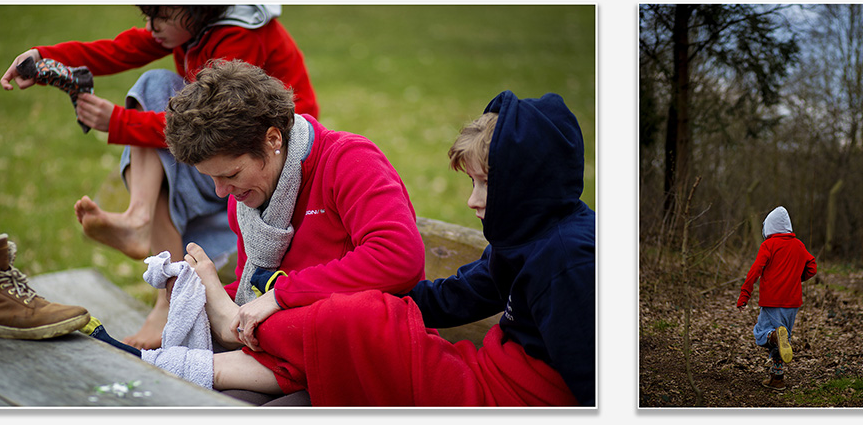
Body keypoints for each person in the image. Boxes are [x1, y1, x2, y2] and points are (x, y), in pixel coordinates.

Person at [201, 89, 596, 406]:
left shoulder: (568, 261)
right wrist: (383, 319)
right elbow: (458, 296)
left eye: (486, 185)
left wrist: (304, 302)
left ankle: (208, 355)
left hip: (503, 398)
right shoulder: (524, 235)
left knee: (350, 315)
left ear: (528, 183)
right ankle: (222, 347)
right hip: (486, 371)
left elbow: (591, 382)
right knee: (356, 315)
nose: (473, 201)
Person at [0, 5, 320, 350]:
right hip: (227, 153)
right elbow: (118, 49)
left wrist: (120, 121)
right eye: (148, 17)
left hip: (268, 163)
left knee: (156, 96)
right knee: (158, 108)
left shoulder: (238, 35)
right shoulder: (190, 25)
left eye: (162, 17)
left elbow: (223, 124)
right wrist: (45, 58)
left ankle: (150, 251)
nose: (152, 27)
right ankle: (146, 237)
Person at [161, 60, 426, 400]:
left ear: (272, 138)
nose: (221, 191)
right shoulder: (246, 199)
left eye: (230, 174)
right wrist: (198, 293)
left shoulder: (348, 160)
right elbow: (253, 294)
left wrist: (283, 294)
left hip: (360, 362)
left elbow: (398, 257)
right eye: (210, 177)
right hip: (284, 351)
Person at [736, 206, 817, 391]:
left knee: (761, 333)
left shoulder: (768, 245)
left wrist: (744, 295)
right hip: (792, 303)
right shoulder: (799, 245)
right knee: (783, 342)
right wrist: (796, 279)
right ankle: (777, 379)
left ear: (769, 228)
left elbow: (755, 270)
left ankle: (773, 336)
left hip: (772, 301)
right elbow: (812, 267)